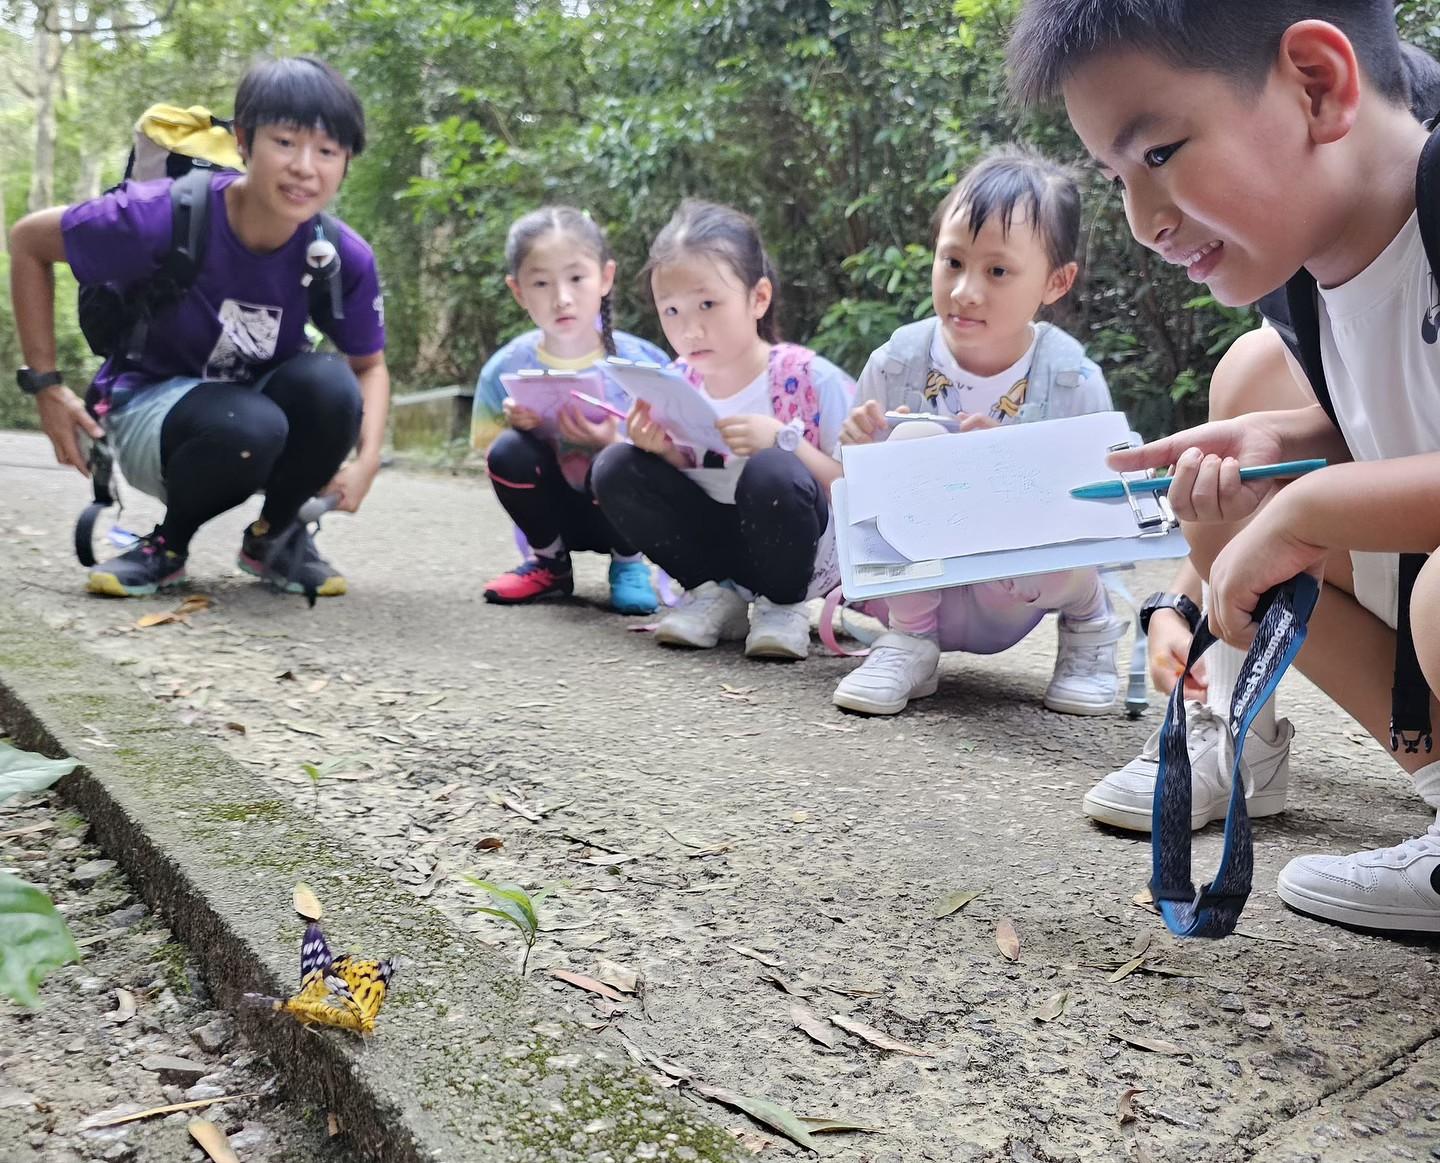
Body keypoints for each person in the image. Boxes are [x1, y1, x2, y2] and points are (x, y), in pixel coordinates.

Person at [1010, 0, 1440, 933]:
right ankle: (1232, 741)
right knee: (1238, 435)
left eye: (1158, 153)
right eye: (1116, 176)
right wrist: (1294, 450)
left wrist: (1308, 509)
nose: (1140, 220)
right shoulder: (1307, 274)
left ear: (1317, 84)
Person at [9, 55, 388, 599]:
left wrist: (367, 459)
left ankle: (274, 537)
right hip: (152, 411)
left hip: (252, 410)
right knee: (248, 424)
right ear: (243, 142)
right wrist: (46, 387)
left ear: (345, 163)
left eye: (327, 151)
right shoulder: (161, 216)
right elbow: (28, 240)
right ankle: (167, 545)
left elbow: (368, 367)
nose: (306, 167)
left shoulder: (338, 256)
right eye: (284, 142)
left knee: (332, 387)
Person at [831, 147, 1123, 716]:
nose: (966, 290)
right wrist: (861, 455)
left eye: (997, 270)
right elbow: (855, 504)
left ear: (1055, 282)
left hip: (1014, 589)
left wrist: (1011, 464)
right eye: (953, 262)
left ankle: (1091, 631)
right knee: (913, 443)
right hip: (915, 592)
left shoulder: (1072, 381)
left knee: (1053, 504)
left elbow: (1104, 515)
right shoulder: (895, 364)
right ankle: (908, 646)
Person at [591, 199, 855, 660]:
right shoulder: (674, 383)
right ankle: (714, 597)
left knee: (773, 469)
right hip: (719, 545)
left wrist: (782, 440)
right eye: (670, 310)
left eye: (708, 304)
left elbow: (860, 486)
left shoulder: (808, 379)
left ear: (759, 298)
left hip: (794, 554)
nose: (690, 329)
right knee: (615, 465)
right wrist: (663, 454)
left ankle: (784, 609)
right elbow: (690, 482)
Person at [473, 207, 669, 614]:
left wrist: (610, 442)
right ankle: (548, 563)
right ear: (518, 291)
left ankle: (630, 565)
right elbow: (490, 456)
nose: (561, 298)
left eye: (577, 278)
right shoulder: (505, 369)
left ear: (605, 277)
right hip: (551, 515)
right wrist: (529, 430)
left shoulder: (644, 364)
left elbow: (680, 458)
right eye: (541, 283)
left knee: (621, 458)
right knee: (510, 448)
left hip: (623, 513)